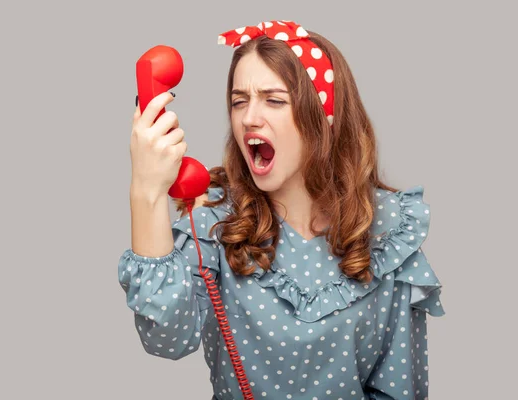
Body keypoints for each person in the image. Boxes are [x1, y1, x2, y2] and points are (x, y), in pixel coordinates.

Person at [119, 20, 445, 400]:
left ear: (324, 118)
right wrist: (147, 191)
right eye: (239, 101)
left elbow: (400, 387)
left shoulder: (389, 229)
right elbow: (167, 338)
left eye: (273, 100)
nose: (249, 118)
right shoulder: (213, 218)